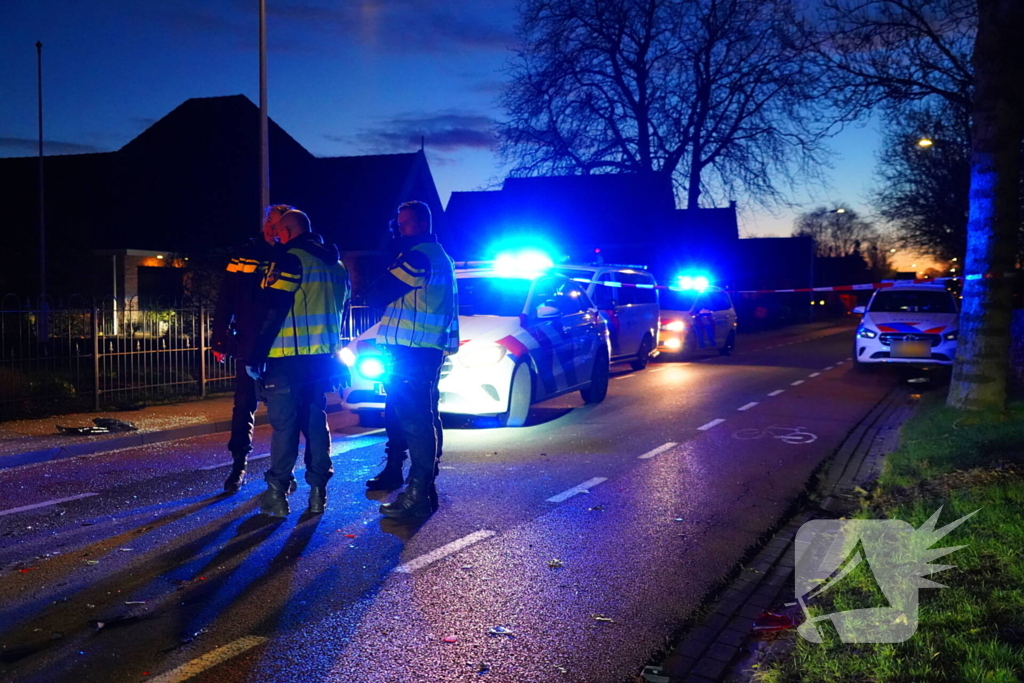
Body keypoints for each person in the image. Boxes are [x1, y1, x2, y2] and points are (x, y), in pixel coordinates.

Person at [245, 210, 350, 517]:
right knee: (316, 423)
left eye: (279, 231)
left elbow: (272, 310)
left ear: (289, 231)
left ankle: (276, 495)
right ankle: (318, 493)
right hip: (322, 360)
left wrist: (255, 355)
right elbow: (341, 312)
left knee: (285, 426)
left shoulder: (291, 260)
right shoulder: (337, 265)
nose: (276, 236)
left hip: (287, 358)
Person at [364, 200, 459, 519]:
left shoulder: (418, 258)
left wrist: (390, 258)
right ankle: (424, 487)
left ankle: (417, 493)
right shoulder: (437, 255)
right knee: (422, 417)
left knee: (416, 422)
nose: (398, 227)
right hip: (421, 350)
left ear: (418, 224)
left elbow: (376, 294)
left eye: (403, 223)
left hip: (411, 350)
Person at [211, 204, 293, 493]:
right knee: (244, 404)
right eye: (269, 221)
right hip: (248, 340)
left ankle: (284, 469)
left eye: (277, 223)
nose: (271, 228)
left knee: (284, 408)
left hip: (281, 344)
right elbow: (226, 297)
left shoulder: (291, 255)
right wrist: (219, 338)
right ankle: (238, 465)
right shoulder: (244, 254)